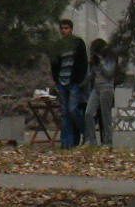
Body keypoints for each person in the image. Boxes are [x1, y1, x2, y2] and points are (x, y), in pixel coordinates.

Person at [50, 18, 89, 148]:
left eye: (66, 28)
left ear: (71, 29)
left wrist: (78, 79)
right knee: (65, 112)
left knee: (73, 109)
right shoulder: (58, 45)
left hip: (73, 82)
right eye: (62, 28)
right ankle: (67, 143)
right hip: (62, 81)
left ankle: (86, 133)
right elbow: (54, 63)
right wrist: (56, 79)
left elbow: (83, 62)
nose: (64, 31)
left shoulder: (78, 43)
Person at [83, 37, 119, 147]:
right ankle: (92, 141)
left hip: (106, 88)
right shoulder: (94, 61)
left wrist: (101, 62)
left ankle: (108, 142)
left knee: (105, 116)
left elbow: (109, 73)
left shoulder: (110, 57)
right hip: (96, 88)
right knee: (88, 113)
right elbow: (91, 75)